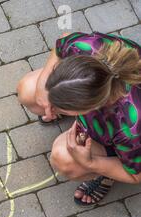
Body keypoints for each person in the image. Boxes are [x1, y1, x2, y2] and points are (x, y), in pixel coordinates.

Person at [17, 32, 141, 206]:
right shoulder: (85, 49)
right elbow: (62, 43)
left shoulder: (130, 126)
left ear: (88, 109)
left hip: (127, 139)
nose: (48, 109)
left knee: (64, 159)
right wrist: (42, 88)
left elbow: (136, 174)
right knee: (27, 89)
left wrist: (91, 163)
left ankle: (106, 174)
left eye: (60, 107)